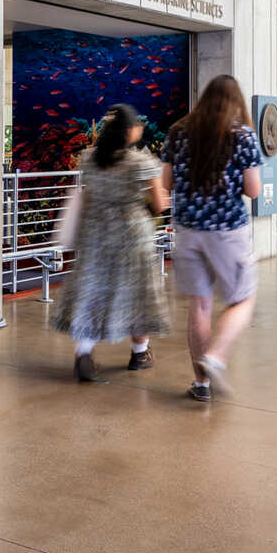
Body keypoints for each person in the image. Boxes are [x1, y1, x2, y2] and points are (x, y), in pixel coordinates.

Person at [159, 75, 263, 402]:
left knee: (200, 304)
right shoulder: (242, 135)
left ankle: (201, 384)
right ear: (236, 102)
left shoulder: (178, 132)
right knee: (243, 299)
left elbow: (166, 182)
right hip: (227, 231)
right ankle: (216, 357)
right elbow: (253, 189)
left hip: (188, 229)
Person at [53, 104, 171, 382]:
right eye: (137, 125)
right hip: (133, 236)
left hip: (97, 234)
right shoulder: (141, 162)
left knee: (93, 291)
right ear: (129, 131)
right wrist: (160, 199)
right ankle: (140, 353)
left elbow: (91, 195)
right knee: (138, 295)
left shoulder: (89, 158)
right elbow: (158, 204)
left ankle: (83, 353)